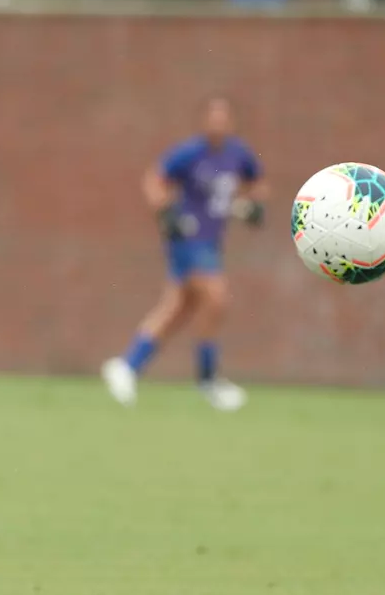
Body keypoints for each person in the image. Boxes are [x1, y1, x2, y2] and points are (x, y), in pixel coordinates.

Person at [100, 97, 264, 413]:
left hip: (212, 243)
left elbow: (258, 185)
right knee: (216, 298)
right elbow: (154, 181)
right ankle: (207, 379)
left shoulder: (238, 155)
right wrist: (165, 212)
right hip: (189, 240)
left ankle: (126, 366)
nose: (217, 122)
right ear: (204, 121)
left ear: (231, 122)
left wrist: (253, 206)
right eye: (212, 116)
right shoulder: (190, 153)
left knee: (179, 308)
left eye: (223, 117)